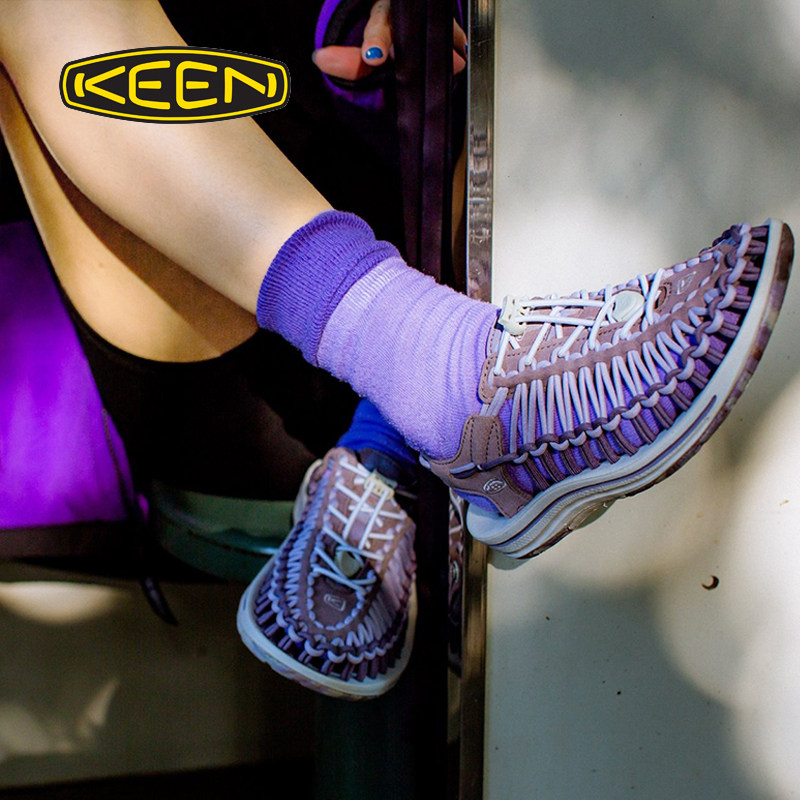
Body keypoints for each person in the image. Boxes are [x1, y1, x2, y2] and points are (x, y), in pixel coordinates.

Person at [0, 0, 792, 700]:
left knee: (498, 40)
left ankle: (403, 425)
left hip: (423, 229)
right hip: (230, 349)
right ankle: (450, 391)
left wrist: (364, 20)